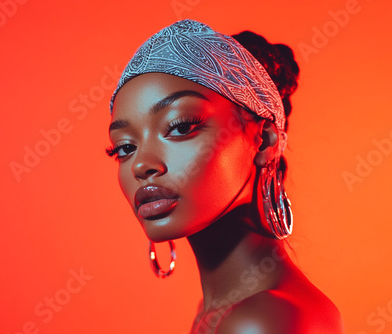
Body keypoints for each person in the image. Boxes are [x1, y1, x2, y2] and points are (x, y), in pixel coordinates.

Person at [106, 19, 344, 334]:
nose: (140, 165)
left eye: (180, 127)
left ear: (264, 140)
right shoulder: (218, 311)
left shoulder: (265, 320)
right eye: (124, 147)